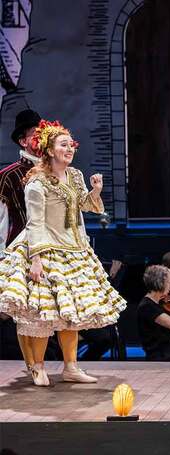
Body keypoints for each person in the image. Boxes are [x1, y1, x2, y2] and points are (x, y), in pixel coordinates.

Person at [0, 119, 126, 386]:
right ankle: (38, 367)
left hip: (74, 247)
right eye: (63, 145)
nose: (70, 149)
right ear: (49, 149)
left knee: (72, 313)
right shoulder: (36, 181)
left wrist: (95, 190)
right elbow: (34, 222)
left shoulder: (75, 175)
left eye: (71, 145)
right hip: (46, 248)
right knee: (45, 312)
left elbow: (84, 204)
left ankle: (70, 367)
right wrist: (36, 259)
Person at [0, 109, 42, 374]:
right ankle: (32, 366)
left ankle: (60, 364)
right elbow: (3, 220)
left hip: (52, 248)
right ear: (23, 141)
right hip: (20, 247)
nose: (41, 139)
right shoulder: (9, 175)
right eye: (35, 135)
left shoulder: (55, 170)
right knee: (26, 310)